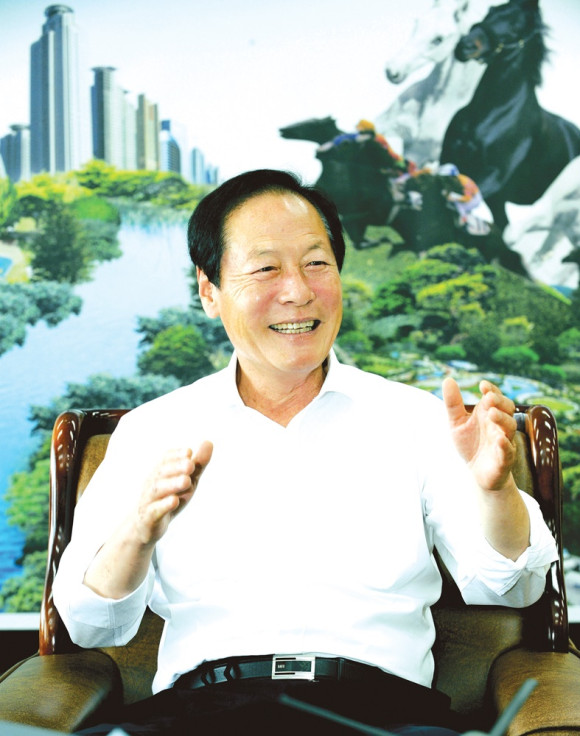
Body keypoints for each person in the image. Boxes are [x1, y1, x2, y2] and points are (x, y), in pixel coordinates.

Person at [52, 169, 558, 736]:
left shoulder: (419, 419)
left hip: (383, 715)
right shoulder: (154, 429)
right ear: (209, 290)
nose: (297, 291)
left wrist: (497, 492)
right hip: (200, 714)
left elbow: (515, 587)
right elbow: (89, 623)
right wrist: (137, 534)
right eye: (266, 268)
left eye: (316, 263)